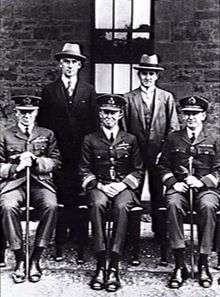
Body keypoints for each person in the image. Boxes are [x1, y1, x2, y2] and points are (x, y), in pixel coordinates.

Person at [37, 43, 97, 261]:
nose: (70, 66)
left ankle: (81, 238)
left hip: (80, 154)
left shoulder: (88, 91)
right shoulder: (49, 91)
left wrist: (89, 153)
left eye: (74, 62)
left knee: (80, 194)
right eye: (66, 61)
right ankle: (60, 240)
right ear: (60, 64)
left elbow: (93, 125)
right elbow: (43, 124)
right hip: (57, 153)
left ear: (80, 65)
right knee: (60, 194)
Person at [79, 94, 144, 292]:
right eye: (105, 112)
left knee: (122, 206)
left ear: (120, 114)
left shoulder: (130, 139)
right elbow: (83, 169)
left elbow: (138, 169)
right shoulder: (90, 139)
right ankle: (100, 265)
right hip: (100, 187)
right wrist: (100, 186)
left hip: (123, 188)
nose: (109, 116)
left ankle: (114, 265)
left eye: (113, 113)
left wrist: (123, 185)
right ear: (99, 114)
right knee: (98, 204)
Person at [157, 95, 220, 288]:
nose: (190, 117)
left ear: (203, 116)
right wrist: (173, 183)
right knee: (173, 203)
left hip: (205, 190)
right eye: (187, 114)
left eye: (195, 114)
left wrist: (201, 182)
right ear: (183, 116)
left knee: (208, 206)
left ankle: (203, 263)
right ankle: (179, 264)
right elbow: (162, 165)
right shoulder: (173, 138)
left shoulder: (214, 138)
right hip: (180, 189)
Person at [0, 95, 61, 283]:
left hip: (40, 182)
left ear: (36, 113)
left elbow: (56, 161)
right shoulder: (5, 134)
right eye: (23, 113)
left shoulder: (47, 133)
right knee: (8, 207)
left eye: (31, 113)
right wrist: (16, 167)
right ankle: (19, 258)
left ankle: (35, 258)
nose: (27, 116)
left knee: (51, 206)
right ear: (16, 113)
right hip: (14, 183)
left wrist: (36, 161)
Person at [123, 54, 180, 237]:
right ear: (139, 75)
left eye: (151, 74)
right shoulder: (129, 98)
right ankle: (132, 235)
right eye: (144, 74)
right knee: (133, 193)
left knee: (159, 194)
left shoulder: (166, 98)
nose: (147, 77)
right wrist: (130, 152)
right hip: (136, 155)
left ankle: (160, 233)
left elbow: (173, 128)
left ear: (157, 76)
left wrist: (165, 153)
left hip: (158, 154)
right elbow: (124, 129)